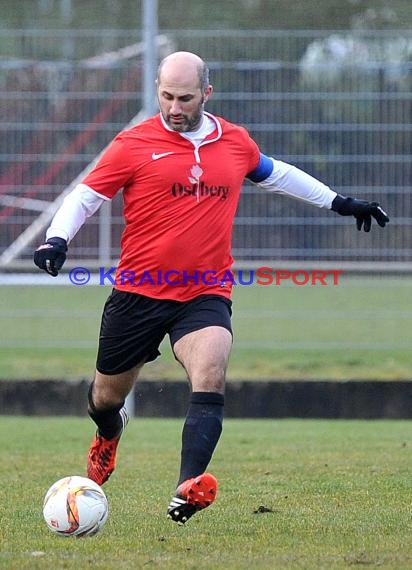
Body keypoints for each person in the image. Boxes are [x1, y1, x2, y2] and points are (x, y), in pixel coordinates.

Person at [34, 51, 389, 525]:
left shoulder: (234, 142)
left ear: (207, 92)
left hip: (205, 292)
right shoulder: (134, 143)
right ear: (156, 90)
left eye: (184, 98)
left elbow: (277, 173)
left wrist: (341, 203)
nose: (174, 107)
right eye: (165, 96)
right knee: (105, 397)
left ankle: (188, 486)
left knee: (211, 372)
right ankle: (109, 431)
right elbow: (87, 195)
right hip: (139, 292)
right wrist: (57, 239)